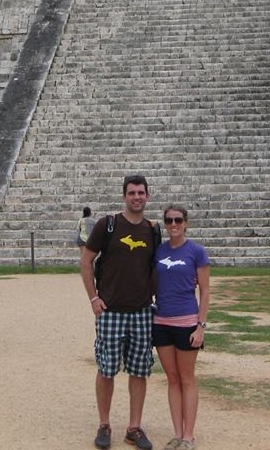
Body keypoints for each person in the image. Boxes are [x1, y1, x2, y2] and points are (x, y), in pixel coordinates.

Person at [80, 175, 159, 450]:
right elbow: (86, 261)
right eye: (132, 193)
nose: (137, 197)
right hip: (111, 310)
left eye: (141, 193)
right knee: (106, 369)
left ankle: (134, 427)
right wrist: (93, 298)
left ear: (148, 196)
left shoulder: (152, 230)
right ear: (124, 196)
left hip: (141, 311)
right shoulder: (108, 224)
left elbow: (156, 267)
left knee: (139, 371)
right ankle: (104, 424)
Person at [153, 205, 210, 450]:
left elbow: (205, 290)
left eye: (178, 220)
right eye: (169, 220)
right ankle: (177, 433)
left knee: (187, 378)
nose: (173, 224)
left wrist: (201, 326)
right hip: (161, 321)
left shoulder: (196, 251)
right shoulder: (158, 251)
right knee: (172, 378)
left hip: (186, 321)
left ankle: (189, 436)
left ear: (186, 222)